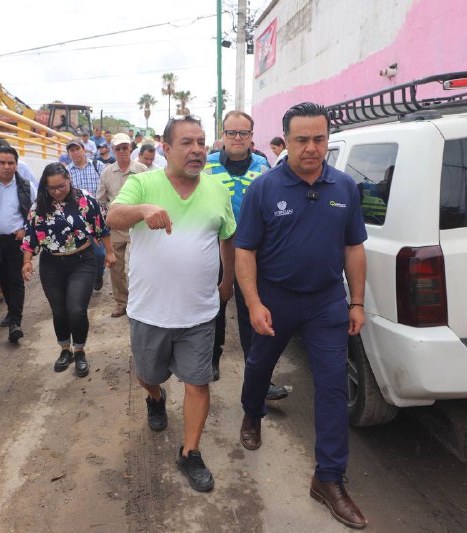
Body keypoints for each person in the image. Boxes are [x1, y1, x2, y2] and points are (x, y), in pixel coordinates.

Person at [235, 102, 368, 529]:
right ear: (286, 140)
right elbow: (245, 251)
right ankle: (252, 411)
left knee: (331, 387)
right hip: (276, 299)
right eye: (301, 140)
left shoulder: (345, 188)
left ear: (328, 139)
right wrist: (254, 303)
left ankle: (328, 478)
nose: (311, 148)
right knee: (258, 365)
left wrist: (357, 302)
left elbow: (354, 248)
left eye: (319, 139)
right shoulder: (264, 188)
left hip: (326, 302)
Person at [106, 115, 235, 493]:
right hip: (150, 311)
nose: (197, 150)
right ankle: (156, 397)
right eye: (187, 143)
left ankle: (190, 452)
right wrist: (143, 210)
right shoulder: (144, 182)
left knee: (198, 382)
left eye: (201, 142)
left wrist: (226, 280)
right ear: (165, 148)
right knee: (149, 374)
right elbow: (113, 215)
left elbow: (227, 236)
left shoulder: (217, 190)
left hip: (199, 311)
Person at [204, 111, 290, 401]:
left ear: (252, 137)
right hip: (214, 248)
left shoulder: (264, 167)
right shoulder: (207, 166)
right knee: (215, 306)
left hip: (253, 252)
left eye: (243, 133)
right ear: (223, 135)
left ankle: (259, 379)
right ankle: (211, 359)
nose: (237, 138)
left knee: (251, 312)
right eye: (231, 133)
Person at [21, 163, 115, 377]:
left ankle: (80, 350)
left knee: (76, 309)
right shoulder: (40, 205)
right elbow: (30, 236)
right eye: (51, 188)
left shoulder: (84, 199)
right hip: (51, 263)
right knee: (59, 310)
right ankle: (65, 350)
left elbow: (102, 226)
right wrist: (27, 261)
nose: (56, 192)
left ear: (69, 181)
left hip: (82, 260)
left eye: (61, 187)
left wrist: (109, 252)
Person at [95, 133, 148, 317]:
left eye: (125, 147)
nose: (122, 151)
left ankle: (140, 301)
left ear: (131, 148)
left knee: (140, 264)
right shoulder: (107, 172)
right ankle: (121, 302)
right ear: (113, 150)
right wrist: (102, 226)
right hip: (116, 227)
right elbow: (101, 201)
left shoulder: (142, 170)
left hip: (138, 225)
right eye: (118, 148)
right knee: (115, 266)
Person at [0, 145, 37, 343]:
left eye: (11, 163)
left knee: (16, 280)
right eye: (3, 162)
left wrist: (26, 229)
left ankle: (15, 322)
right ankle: (11, 310)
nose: (7, 166)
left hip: (17, 240)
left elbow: (35, 212)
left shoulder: (26, 186)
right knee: (3, 278)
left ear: (17, 165)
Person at [66, 139, 108, 291]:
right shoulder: (67, 172)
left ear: (83, 149)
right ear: (68, 154)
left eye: (77, 148)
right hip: (79, 220)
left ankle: (98, 275)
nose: (75, 152)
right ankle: (85, 280)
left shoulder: (98, 166)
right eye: (71, 150)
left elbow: (107, 188)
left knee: (100, 253)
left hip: (98, 217)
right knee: (84, 253)